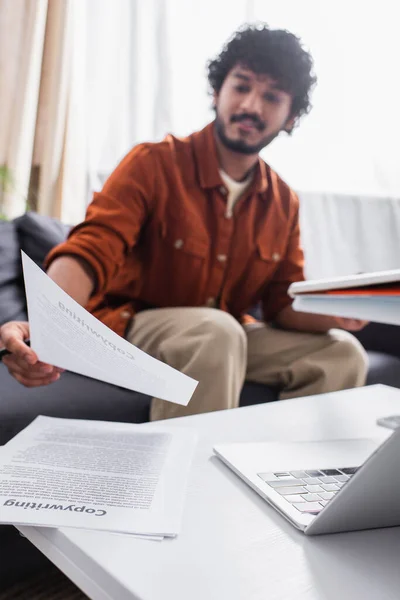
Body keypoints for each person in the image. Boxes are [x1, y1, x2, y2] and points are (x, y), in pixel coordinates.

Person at [0, 24, 368, 421]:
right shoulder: (153, 163)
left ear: (291, 117)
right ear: (217, 91)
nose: (252, 106)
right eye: (241, 86)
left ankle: (285, 479)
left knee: (341, 352)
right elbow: (92, 248)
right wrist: (46, 325)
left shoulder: (282, 201)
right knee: (215, 332)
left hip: (223, 335)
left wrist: (342, 310)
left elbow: (281, 303)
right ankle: (189, 483)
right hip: (131, 330)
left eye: (272, 97)